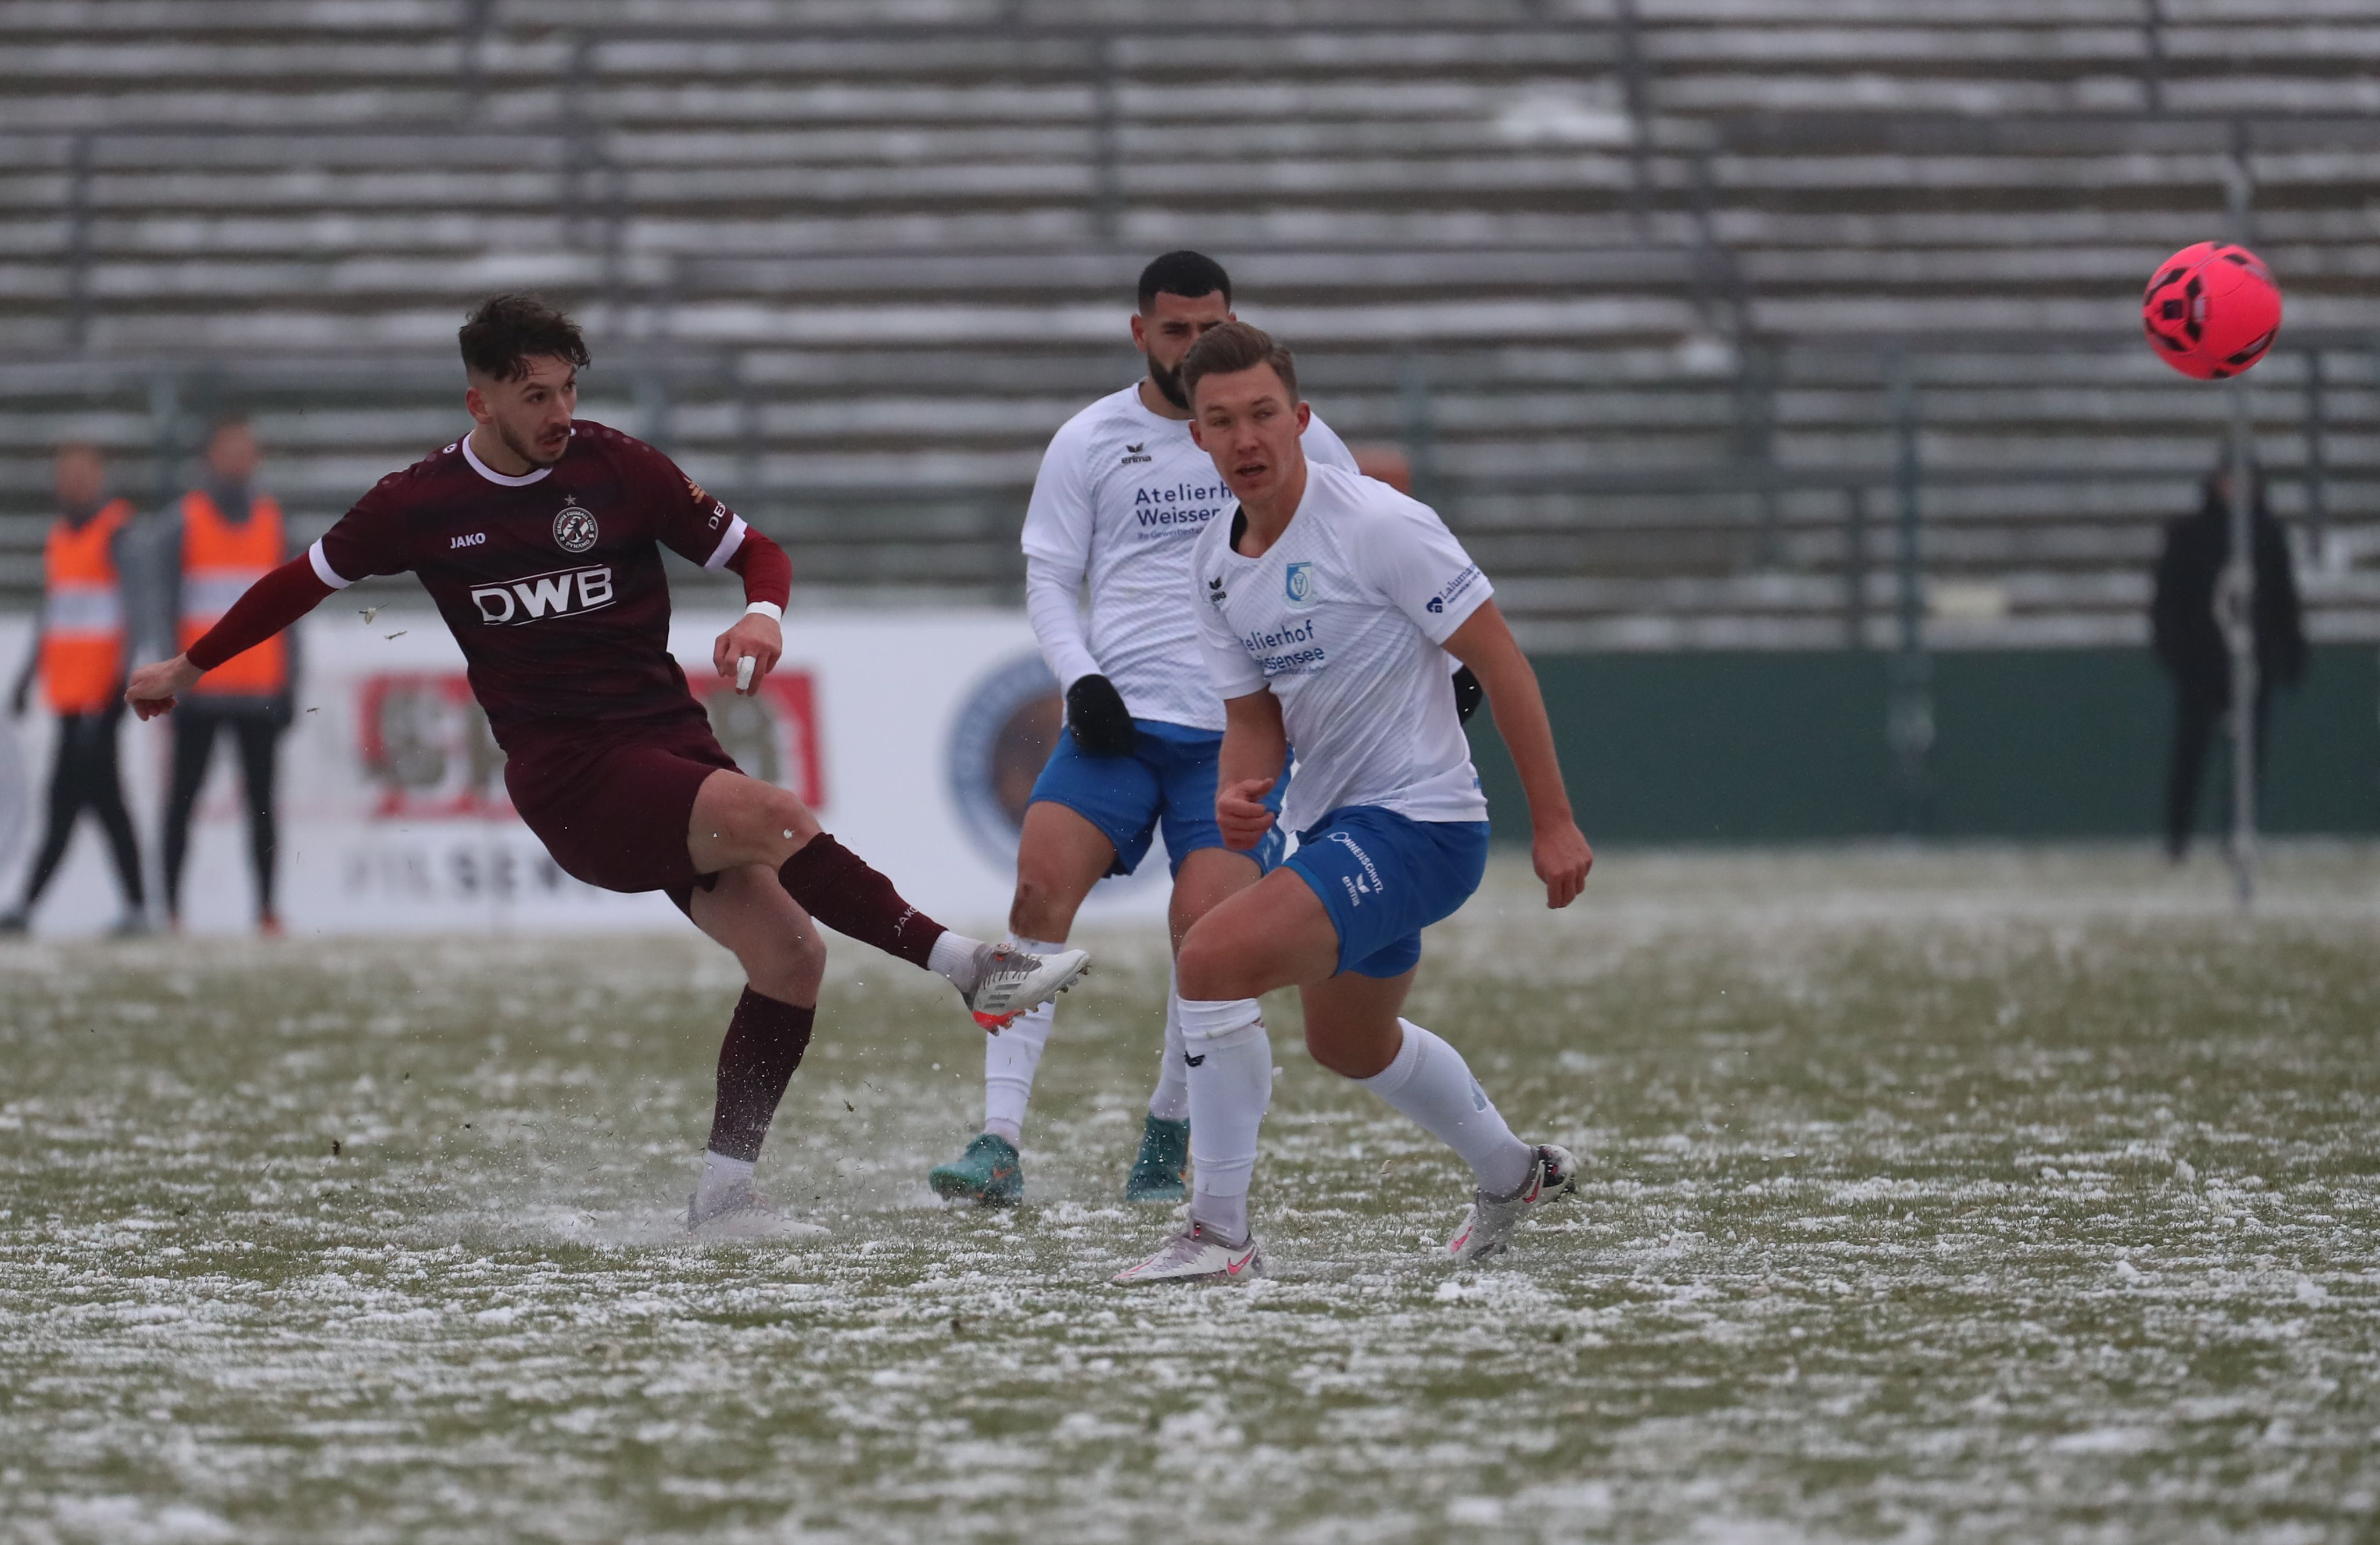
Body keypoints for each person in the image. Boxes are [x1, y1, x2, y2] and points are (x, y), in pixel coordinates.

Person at [125, 293, 1089, 1228]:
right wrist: (192, 663)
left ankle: (721, 1197)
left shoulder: (620, 468)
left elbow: (762, 552)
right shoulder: (419, 503)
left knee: (792, 956)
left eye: (568, 390)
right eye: (535, 395)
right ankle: (967, 967)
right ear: (481, 402)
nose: (559, 413)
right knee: (777, 814)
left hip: (668, 744)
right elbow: (303, 580)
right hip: (574, 779)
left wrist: (763, 612)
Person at [1115, 322, 1593, 1285]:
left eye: (1261, 415)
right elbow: (1253, 719)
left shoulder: (1378, 524)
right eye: (1220, 421)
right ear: (1198, 440)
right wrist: (1238, 791)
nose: (1245, 438)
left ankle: (1216, 1233)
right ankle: (1513, 1172)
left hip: (1422, 827)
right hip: (1337, 830)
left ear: (1299, 420)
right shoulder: (1214, 563)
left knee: (1209, 956)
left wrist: (1553, 819)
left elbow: (1498, 659)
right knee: (1349, 1043)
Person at [924, 252, 1364, 1209]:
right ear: (1140, 334)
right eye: (1175, 330)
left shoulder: (1292, 434)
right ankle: (997, 1135)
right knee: (1037, 885)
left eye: (1211, 325)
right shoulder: (1091, 438)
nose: (1194, 346)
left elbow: (1360, 540)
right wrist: (1080, 679)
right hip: (1118, 724)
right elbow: (1047, 573)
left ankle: (1167, 1130)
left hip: (1234, 733)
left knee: (1204, 929)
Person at [155, 417, 295, 934]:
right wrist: (168, 674)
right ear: (208, 459)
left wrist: (290, 684)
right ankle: (168, 910)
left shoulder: (273, 520)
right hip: (199, 693)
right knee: (181, 804)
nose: (238, 461)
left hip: (259, 689)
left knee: (262, 809)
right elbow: (163, 606)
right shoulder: (183, 522)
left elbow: (290, 613)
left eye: (246, 451)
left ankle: (266, 910)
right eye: (229, 451)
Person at [1, 444, 146, 935]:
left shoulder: (118, 532)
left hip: (100, 696)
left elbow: (135, 614)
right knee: (102, 804)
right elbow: (54, 614)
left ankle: (27, 905)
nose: (74, 485)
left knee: (70, 801)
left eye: (83, 475)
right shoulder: (61, 537)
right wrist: (27, 677)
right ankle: (136, 906)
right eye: (67, 476)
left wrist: (120, 689)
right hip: (68, 694)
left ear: (101, 477)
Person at [2150, 461, 2306, 861]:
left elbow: (2283, 600)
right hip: (2202, 666)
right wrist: (2177, 653)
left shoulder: (2268, 534)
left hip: (2252, 665)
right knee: (2191, 754)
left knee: (2248, 759)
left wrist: (2288, 652)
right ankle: (2178, 840)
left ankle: (2238, 836)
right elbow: (2168, 601)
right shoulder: (2189, 534)